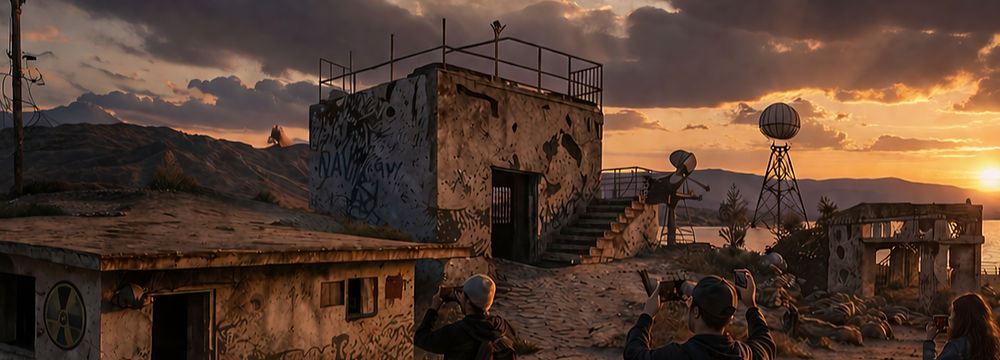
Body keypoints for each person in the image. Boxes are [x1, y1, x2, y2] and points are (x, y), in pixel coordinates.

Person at [624, 269, 775, 360]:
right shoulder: (743, 354)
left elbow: (634, 354)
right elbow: (765, 345)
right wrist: (751, 305)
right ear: (730, 317)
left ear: (696, 312)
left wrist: (647, 316)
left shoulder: (678, 355)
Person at [415, 274, 520, 359]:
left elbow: (420, 338)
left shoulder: (456, 332)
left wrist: (433, 308)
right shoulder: (504, 327)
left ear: (468, 301)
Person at [924, 292, 1000, 360]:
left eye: (952, 315)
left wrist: (929, 341)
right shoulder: (990, 344)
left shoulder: (956, 347)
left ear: (960, 320)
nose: (949, 318)